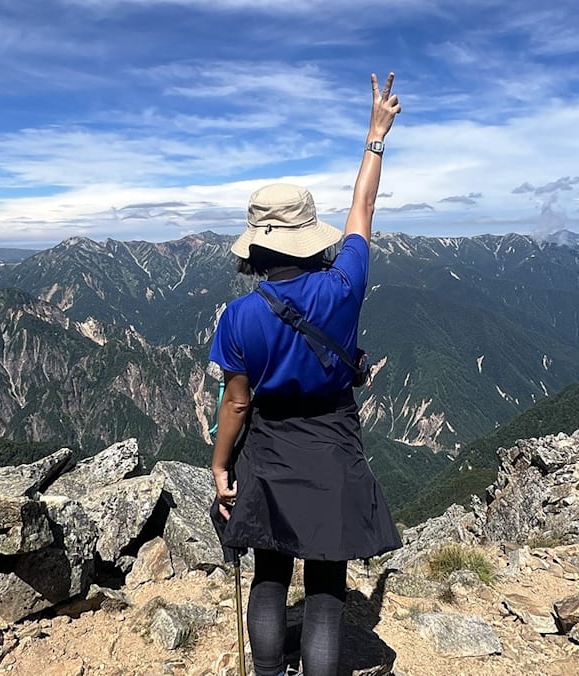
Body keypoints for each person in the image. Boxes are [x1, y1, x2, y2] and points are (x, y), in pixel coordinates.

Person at [208, 72, 402, 676]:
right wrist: (375, 137)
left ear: (259, 246)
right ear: (308, 237)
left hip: (267, 450)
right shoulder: (345, 284)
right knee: (324, 586)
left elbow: (237, 405)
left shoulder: (237, 317)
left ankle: (268, 673)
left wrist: (220, 466)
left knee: (269, 572)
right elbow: (363, 210)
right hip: (332, 444)